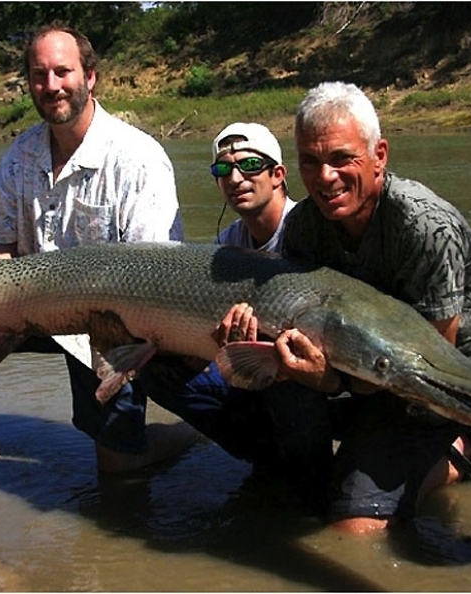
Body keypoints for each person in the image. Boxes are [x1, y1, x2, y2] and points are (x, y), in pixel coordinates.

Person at [269, 81, 471, 563]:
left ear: (379, 155)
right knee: (352, 537)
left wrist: (334, 381)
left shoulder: (423, 223)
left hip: (466, 361)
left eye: (341, 158)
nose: (325, 176)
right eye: (310, 162)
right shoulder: (301, 229)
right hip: (381, 373)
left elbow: (431, 368)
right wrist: (316, 375)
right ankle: (456, 456)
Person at [0, 24, 196, 475]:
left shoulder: (137, 159)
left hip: (106, 325)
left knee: (118, 471)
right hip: (25, 308)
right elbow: (2, 246)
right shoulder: (19, 155)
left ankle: (187, 434)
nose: (51, 86)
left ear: (90, 77)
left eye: (62, 72)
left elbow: (156, 276)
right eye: (38, 74)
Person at [141, 123, 334, 508]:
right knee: (156, 368)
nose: (234, 177)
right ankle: (265, 458)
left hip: (317, 378)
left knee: (289, 386)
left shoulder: (311, 232)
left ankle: (313, 479)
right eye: (221, 170)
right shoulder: (227, 244)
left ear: (278, 174)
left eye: (249, 165)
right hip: (257, 367)